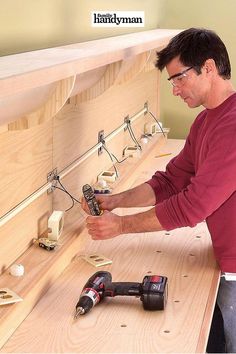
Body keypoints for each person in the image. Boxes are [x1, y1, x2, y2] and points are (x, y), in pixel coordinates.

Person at [82, 28, 236, 353]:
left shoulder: (232, 126)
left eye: (179, 79)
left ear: (208, 68)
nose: (175, 90)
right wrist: (114, 202)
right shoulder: (207, 121)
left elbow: (193, 206)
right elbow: (172, 181)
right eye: (172, 82)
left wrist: (121, 226)